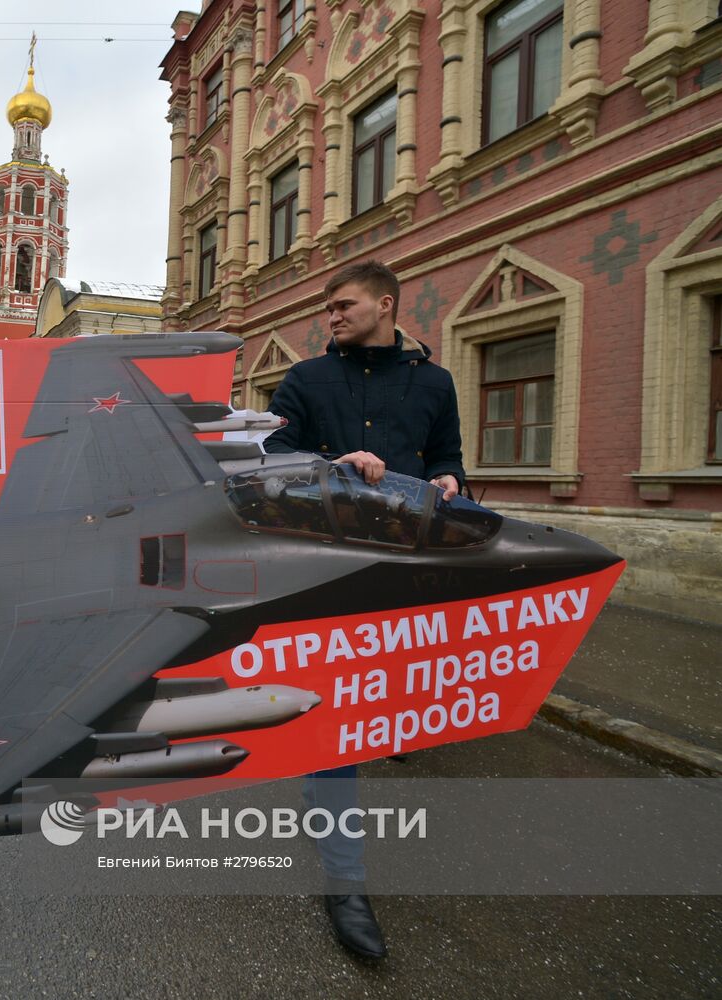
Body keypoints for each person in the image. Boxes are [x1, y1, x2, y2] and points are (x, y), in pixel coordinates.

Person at [264, 260, 465, 960]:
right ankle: (345, 882)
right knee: (336, 727)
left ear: (386, 304)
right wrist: (332, 467)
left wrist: (448, 479)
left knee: (386, 703)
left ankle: (383, 734)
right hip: (325, 574)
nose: (332, 316)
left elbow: (450, 462)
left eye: (344, 305)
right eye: (327, 308)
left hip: (406, 580)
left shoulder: (436, 383)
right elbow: (270, 463)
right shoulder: (306, 381)